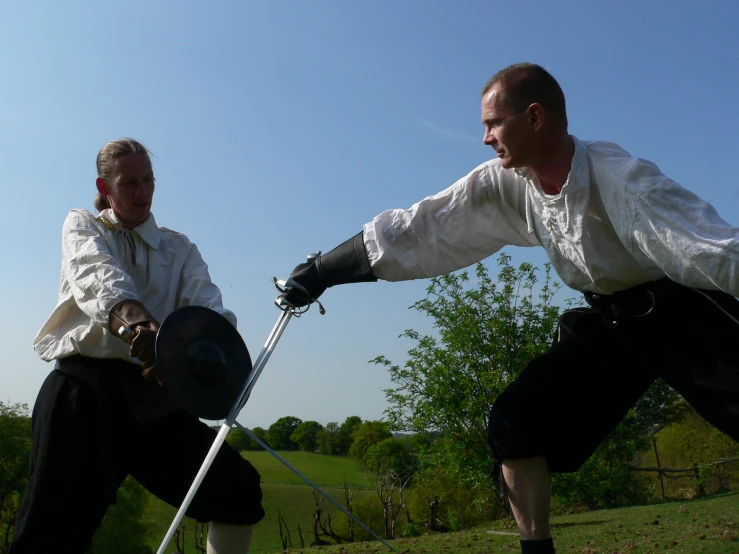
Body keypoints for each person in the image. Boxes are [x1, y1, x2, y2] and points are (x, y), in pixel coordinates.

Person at [280, 63, 739, 554]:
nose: (485, 137)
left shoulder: (622, 180)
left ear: (535, 117)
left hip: (683, 315)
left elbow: (713, 250)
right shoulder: (507, 182)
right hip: (610, 326)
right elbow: (426, 225)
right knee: (515, 422)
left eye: (493, 123)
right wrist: (326, 269)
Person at [11, 138, 263, 554]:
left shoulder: (180, 248)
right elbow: (100, 277)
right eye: (129, 183)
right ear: (105, 186)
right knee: (47, 535)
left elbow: (208, 311)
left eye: (148, 180)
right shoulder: (82, 225)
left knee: (236, 491)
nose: (142, 191)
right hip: (81, 395)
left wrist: (213, 357)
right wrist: (138, 327)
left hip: (154, 398)